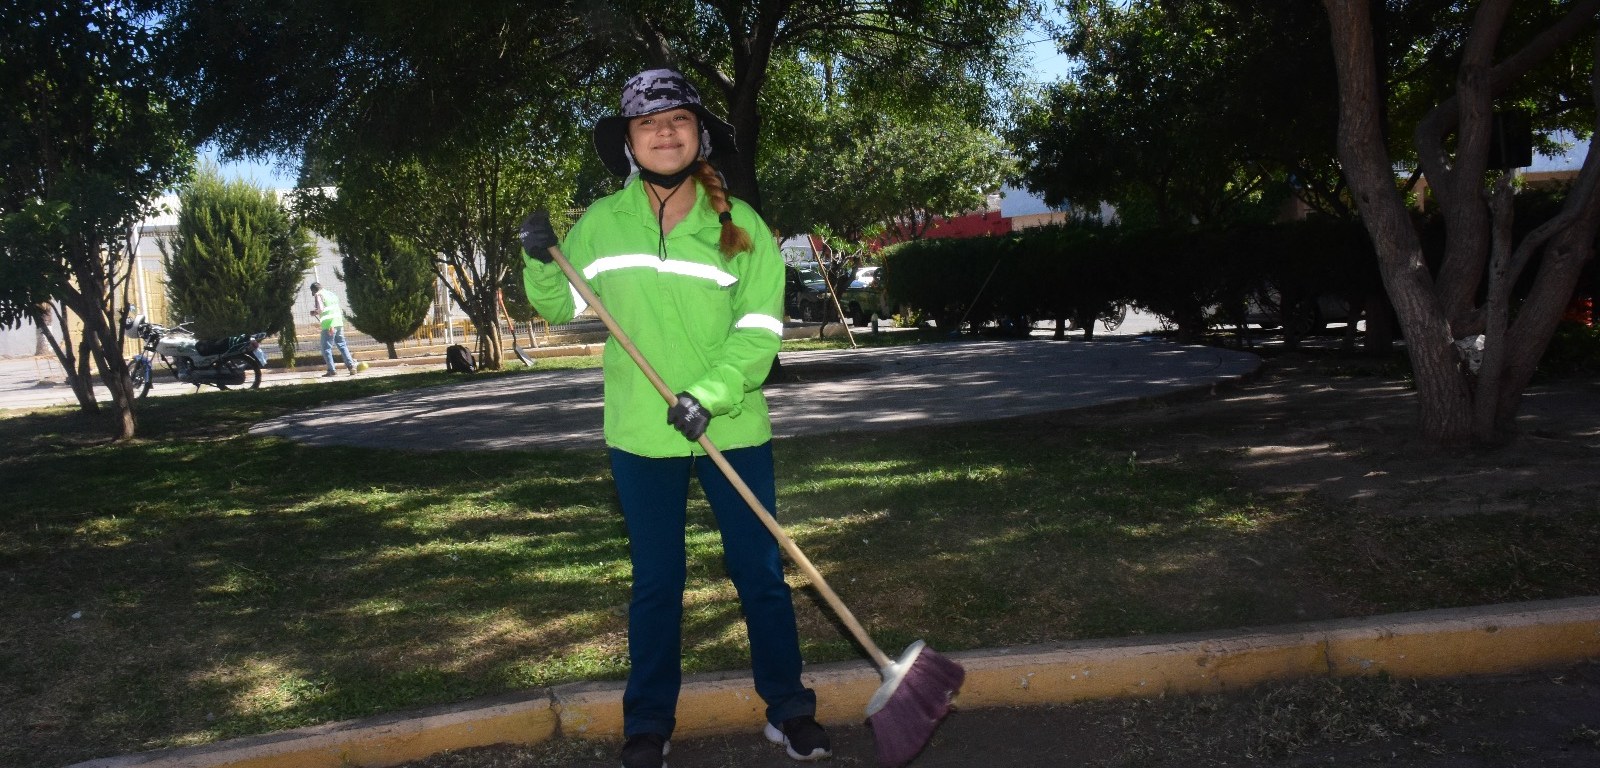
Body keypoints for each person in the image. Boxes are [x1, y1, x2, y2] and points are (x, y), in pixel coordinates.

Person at [518, 68, 830, 768]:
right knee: (657, 582)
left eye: (678, 120)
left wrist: (709, 395)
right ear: (630, 142)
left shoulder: (740, 226)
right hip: (641, 433)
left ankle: (789, 710)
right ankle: (649, 724)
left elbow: (759, 331)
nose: (665, 132)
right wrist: (539, 258)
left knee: (760, 573)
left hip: (732, 426)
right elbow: (561, 305)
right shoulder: (602, 223)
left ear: (700, 136)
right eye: (648, 123)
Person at [309, 282, 356, 377]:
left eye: (312, 292)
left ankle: (331, 370)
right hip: (338, 322)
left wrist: (314, 312)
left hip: (329, 325)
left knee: (326, 348)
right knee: (342, 345)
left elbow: (320, 309)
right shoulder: (331, 294)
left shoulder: (318, 295)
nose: (313, 294)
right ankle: (351, 367)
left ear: (314, 290)